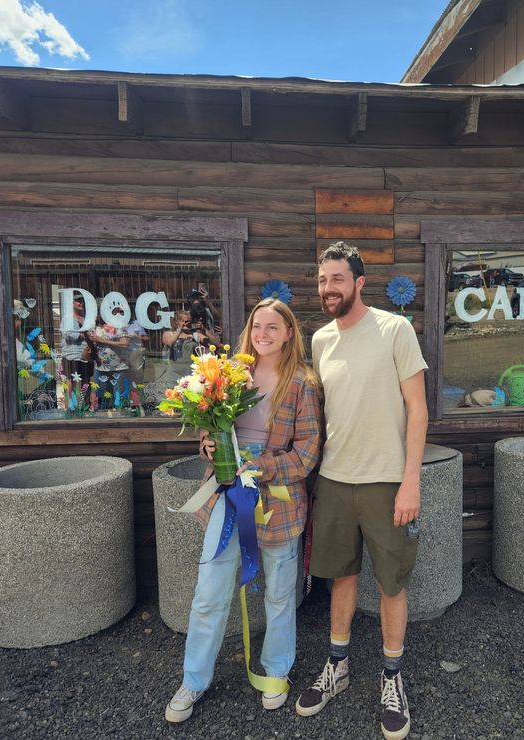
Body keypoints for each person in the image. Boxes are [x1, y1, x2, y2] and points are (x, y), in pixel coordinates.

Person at [295, 242, 428, 740]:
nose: (328, 288)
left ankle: (391, 679)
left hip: (387, 481)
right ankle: (338, 667)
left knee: (391, 583)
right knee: (341, 578)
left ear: (358, 282)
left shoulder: (395, 330)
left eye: (337, 279)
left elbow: (417, 408)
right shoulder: (320, 340)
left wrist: (410, 479)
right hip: (333, 479)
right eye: (323, 280)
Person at [165, 298, 321, 724]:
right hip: (228, 493)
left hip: (279, 501)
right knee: (209, 591)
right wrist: (207, 445)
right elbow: (211, 426)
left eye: (273, 328)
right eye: (257, 327)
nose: (263, 335)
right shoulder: (232, 375)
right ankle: (193, 679)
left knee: (279, 592)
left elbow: (307, 453)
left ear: (289, 332)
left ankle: (276, 671)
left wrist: (265, 466)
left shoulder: (302, 383)